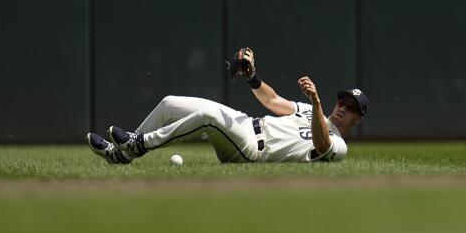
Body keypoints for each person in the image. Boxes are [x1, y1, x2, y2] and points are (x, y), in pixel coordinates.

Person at [86, 48, 369, 164]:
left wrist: (317, 102)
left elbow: (321, 144)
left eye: (351, 107)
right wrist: (252, 76)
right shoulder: (307, 110)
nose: (343, 107)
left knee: (207, 117)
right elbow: (272, 101)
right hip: (246, 123)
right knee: (169, 103)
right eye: (343, 101)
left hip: (252, 149)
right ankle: (120, 155)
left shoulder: (339, 146)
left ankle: (140, 144)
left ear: (358, 120)